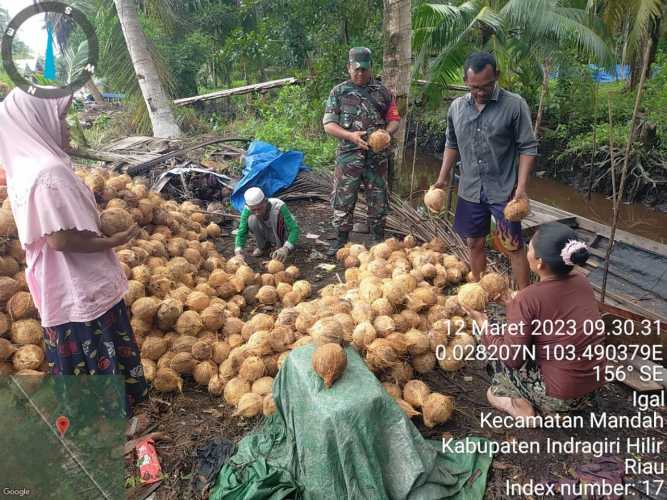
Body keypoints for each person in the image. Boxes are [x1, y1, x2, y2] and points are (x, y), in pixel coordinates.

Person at [0, 89, 147, 417]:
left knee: (74, 344)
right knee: (96, 336)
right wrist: (115, 241)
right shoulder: (48, 170)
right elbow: (61, 241)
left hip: (53, 280)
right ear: (36, 121)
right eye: (60, 119)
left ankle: (90, 414)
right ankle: (114, 415)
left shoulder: (22, 166)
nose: (67, 126)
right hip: (77, 278)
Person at [465, 222, 606, 419]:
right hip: (591, 387)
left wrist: (482, 322)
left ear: (539, 262)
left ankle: (520, 406)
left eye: (529, 247)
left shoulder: (529, 298)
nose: (527, 250)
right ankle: (559, 405)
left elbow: (511, 359)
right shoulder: (581, 281)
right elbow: (551, 312)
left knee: (493, 386)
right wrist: (511, 302)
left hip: (560, 396)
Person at [432, 51, 538, 289]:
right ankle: (478, 294)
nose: (480, 92)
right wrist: (441, 179)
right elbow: (452, 144)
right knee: (474, 242)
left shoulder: (514, 105)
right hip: (470, 189)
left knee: (513, 245)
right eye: (474, 87)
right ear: (465, 81)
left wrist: (521, 188)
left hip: (504, 190)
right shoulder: (456, 108)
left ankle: (523, 300)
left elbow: (528, 148)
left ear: (496, 76)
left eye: (486, 86)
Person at [323, 47, 402, 256]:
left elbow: (394, 119)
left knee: (378, 198)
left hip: (377, 157)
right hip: (349, 155)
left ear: (370, 68)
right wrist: (350, 136)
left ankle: (377, 240)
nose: (360, 74)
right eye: (356, 69)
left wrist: (386, 134)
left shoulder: (382, 91)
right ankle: (340, 241)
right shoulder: (338, 92)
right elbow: (329, 124)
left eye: (364, 70)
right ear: (349, 68)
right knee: (343, 197)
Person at [234, 187, 300, 262]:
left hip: (283, 233)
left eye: (259, 208)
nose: (257, 212)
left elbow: (294, 229)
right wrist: (238, 250)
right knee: (252, 219)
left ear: (265, 201)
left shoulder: (278, 206)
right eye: (253, 210)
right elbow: (241, 232)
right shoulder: (247, 210)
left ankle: (280, 247)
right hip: (268, 232)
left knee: (276, 215)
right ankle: (264, 247)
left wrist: (286, 248)